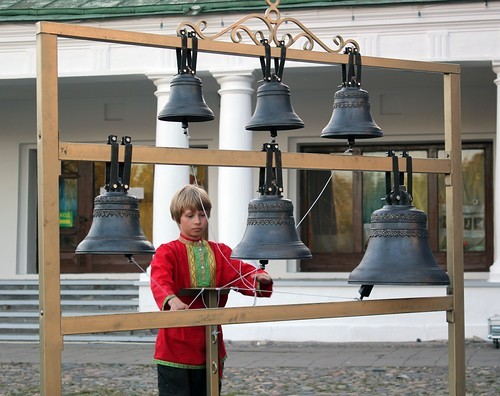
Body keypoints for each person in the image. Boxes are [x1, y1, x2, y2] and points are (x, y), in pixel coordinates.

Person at [150, 184, 273, 396]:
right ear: (178, 218)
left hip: (210, 345)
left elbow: (241, 272)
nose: (198, 221)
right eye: (190, 216)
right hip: (174, 346)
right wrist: (171, 300)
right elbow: (159, 278)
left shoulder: (220, 252)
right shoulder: (167, 251)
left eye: (202, 215)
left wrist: (258, 277)